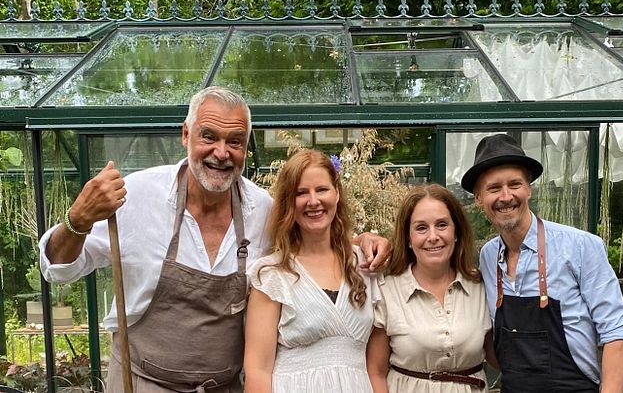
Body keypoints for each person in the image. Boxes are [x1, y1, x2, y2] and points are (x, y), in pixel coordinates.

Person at [39, 86, 390, 393]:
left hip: (223, 387)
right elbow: (58, 269)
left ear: (245, 148)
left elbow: (311, 240)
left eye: (234, 142)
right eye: (209, 137)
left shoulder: (261, 210)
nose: (221, 153)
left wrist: (361, 241)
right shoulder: (137, 197)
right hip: (142, 381)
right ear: (185, 135)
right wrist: (77, 221)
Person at [460, 133, 623, 393]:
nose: (506, 196)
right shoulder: (488, 256)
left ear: (529, 188)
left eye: (514, 184)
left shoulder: (580, 247)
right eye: (494, 188)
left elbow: (616, 333)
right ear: (479, 198)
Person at [243, 149, 378, 393]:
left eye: (322, 190)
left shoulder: (365, 264)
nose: (313, 201)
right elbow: (257, 370)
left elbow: (377, 367)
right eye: (301, 193)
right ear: (288, 203)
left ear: (337, 193)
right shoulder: (271, 274)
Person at [366, 183, 496, 393]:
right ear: (408, 238)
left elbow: (498, 357)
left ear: (456, 232)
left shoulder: (480, 287)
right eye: (421, 228)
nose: (433, 236)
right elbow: (376, 372)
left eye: (442, 225)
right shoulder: (387, 292)